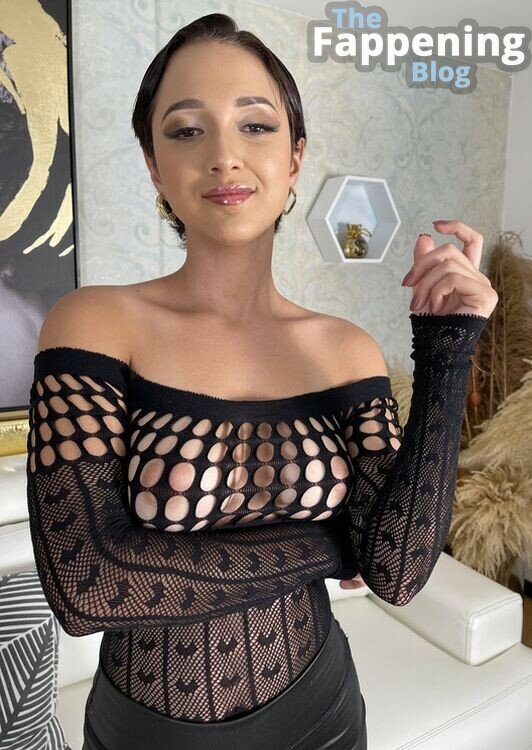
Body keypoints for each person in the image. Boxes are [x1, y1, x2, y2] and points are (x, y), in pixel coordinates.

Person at [25, 13, 498, 750]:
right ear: (154, 164)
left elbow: (399, 570)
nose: (224, 156)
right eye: (187, 130)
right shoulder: (95, 322)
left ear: (295, 155)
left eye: (255, 126)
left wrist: (448, 347)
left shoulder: (343, 350)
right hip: (146, 731)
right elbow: (86, 585)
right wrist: (333, 546)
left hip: (322, 712)